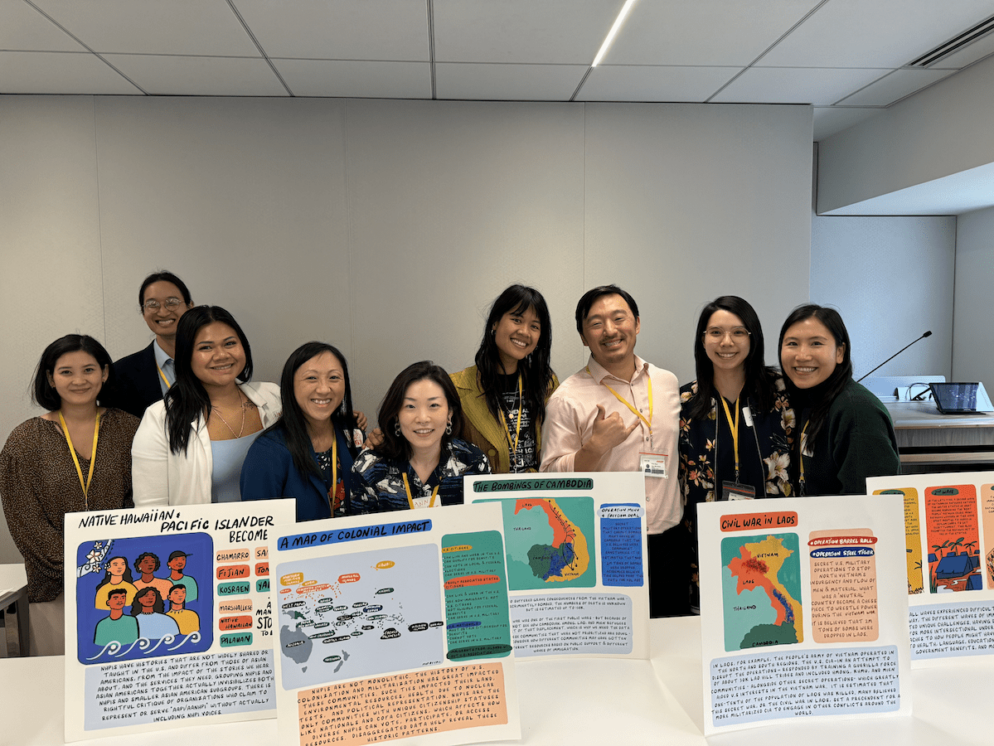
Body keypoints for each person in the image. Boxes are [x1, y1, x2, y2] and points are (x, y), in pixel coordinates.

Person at [540, 285, 685, 617]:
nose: (609, 330)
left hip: (670, 540)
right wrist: (595, 448)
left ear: (636, 323)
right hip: (609, 544)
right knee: (617, 646)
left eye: (619, 318)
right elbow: (549, 480)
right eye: (596, 323)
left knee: (672, 639)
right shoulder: (567, 398)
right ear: (583, 336)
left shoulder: (667, 382)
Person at [0, 335, 139, 655]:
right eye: (66, 372)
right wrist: (86, 568)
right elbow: (26, 524)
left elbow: (140, 502)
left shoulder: (130, 429)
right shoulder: (24, 441)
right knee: (57, 690)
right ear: (50, 378)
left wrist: (114, 568)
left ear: (104, 373)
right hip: (55, 592)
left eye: (89, 369)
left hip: (124, 585)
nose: (79, 380)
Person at [679, 296, 795, 611]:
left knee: (775, 617)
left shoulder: (781, 394)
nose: (726, 342)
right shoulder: (685, 402)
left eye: (738, 332)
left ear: (752, 338)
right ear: (702, 340)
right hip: (709, 546)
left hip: (777, 541)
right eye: (715, 332)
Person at [131, 306, 281, 506]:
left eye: (230, 343)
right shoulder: (160, 418)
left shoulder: (273, 396)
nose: (221, 355)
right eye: (206, 347)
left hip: (275, 532)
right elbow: (151, 508)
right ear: (186, 355)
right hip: (202, 537)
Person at [778, 304, 900, 495]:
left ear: (840, 352)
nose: (802, 356)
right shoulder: (810, 400)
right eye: (792, 343)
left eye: (816, 343)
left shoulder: (856, 411)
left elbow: (869, 507)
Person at [241, 342, 365, 521]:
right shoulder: (267, 452)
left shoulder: (352, 435)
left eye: (334, 378)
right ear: (290, 385)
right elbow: (259, 531)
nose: (323, 389)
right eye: (311, 378)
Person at [351, 361, 491, 512]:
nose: (423, 418)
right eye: (410, 406)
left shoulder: (473, 462)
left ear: (449, 412)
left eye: (433, 406)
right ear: (396, 414)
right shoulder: (369, 466)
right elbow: (359, 532)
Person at [450, 285, 559, 473]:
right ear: (495, 322)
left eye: (534, 326)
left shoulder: (546, 384)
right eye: (517, 320)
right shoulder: (457, 387)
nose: (525, 332)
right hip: (484, 498)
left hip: (536, 497)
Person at [109, 271, 195, 419]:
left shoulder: (215, 361)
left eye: (172, 302)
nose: (162, 312)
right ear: (143, 313)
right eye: (152, 304)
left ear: (190, 307)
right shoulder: (120, 374)